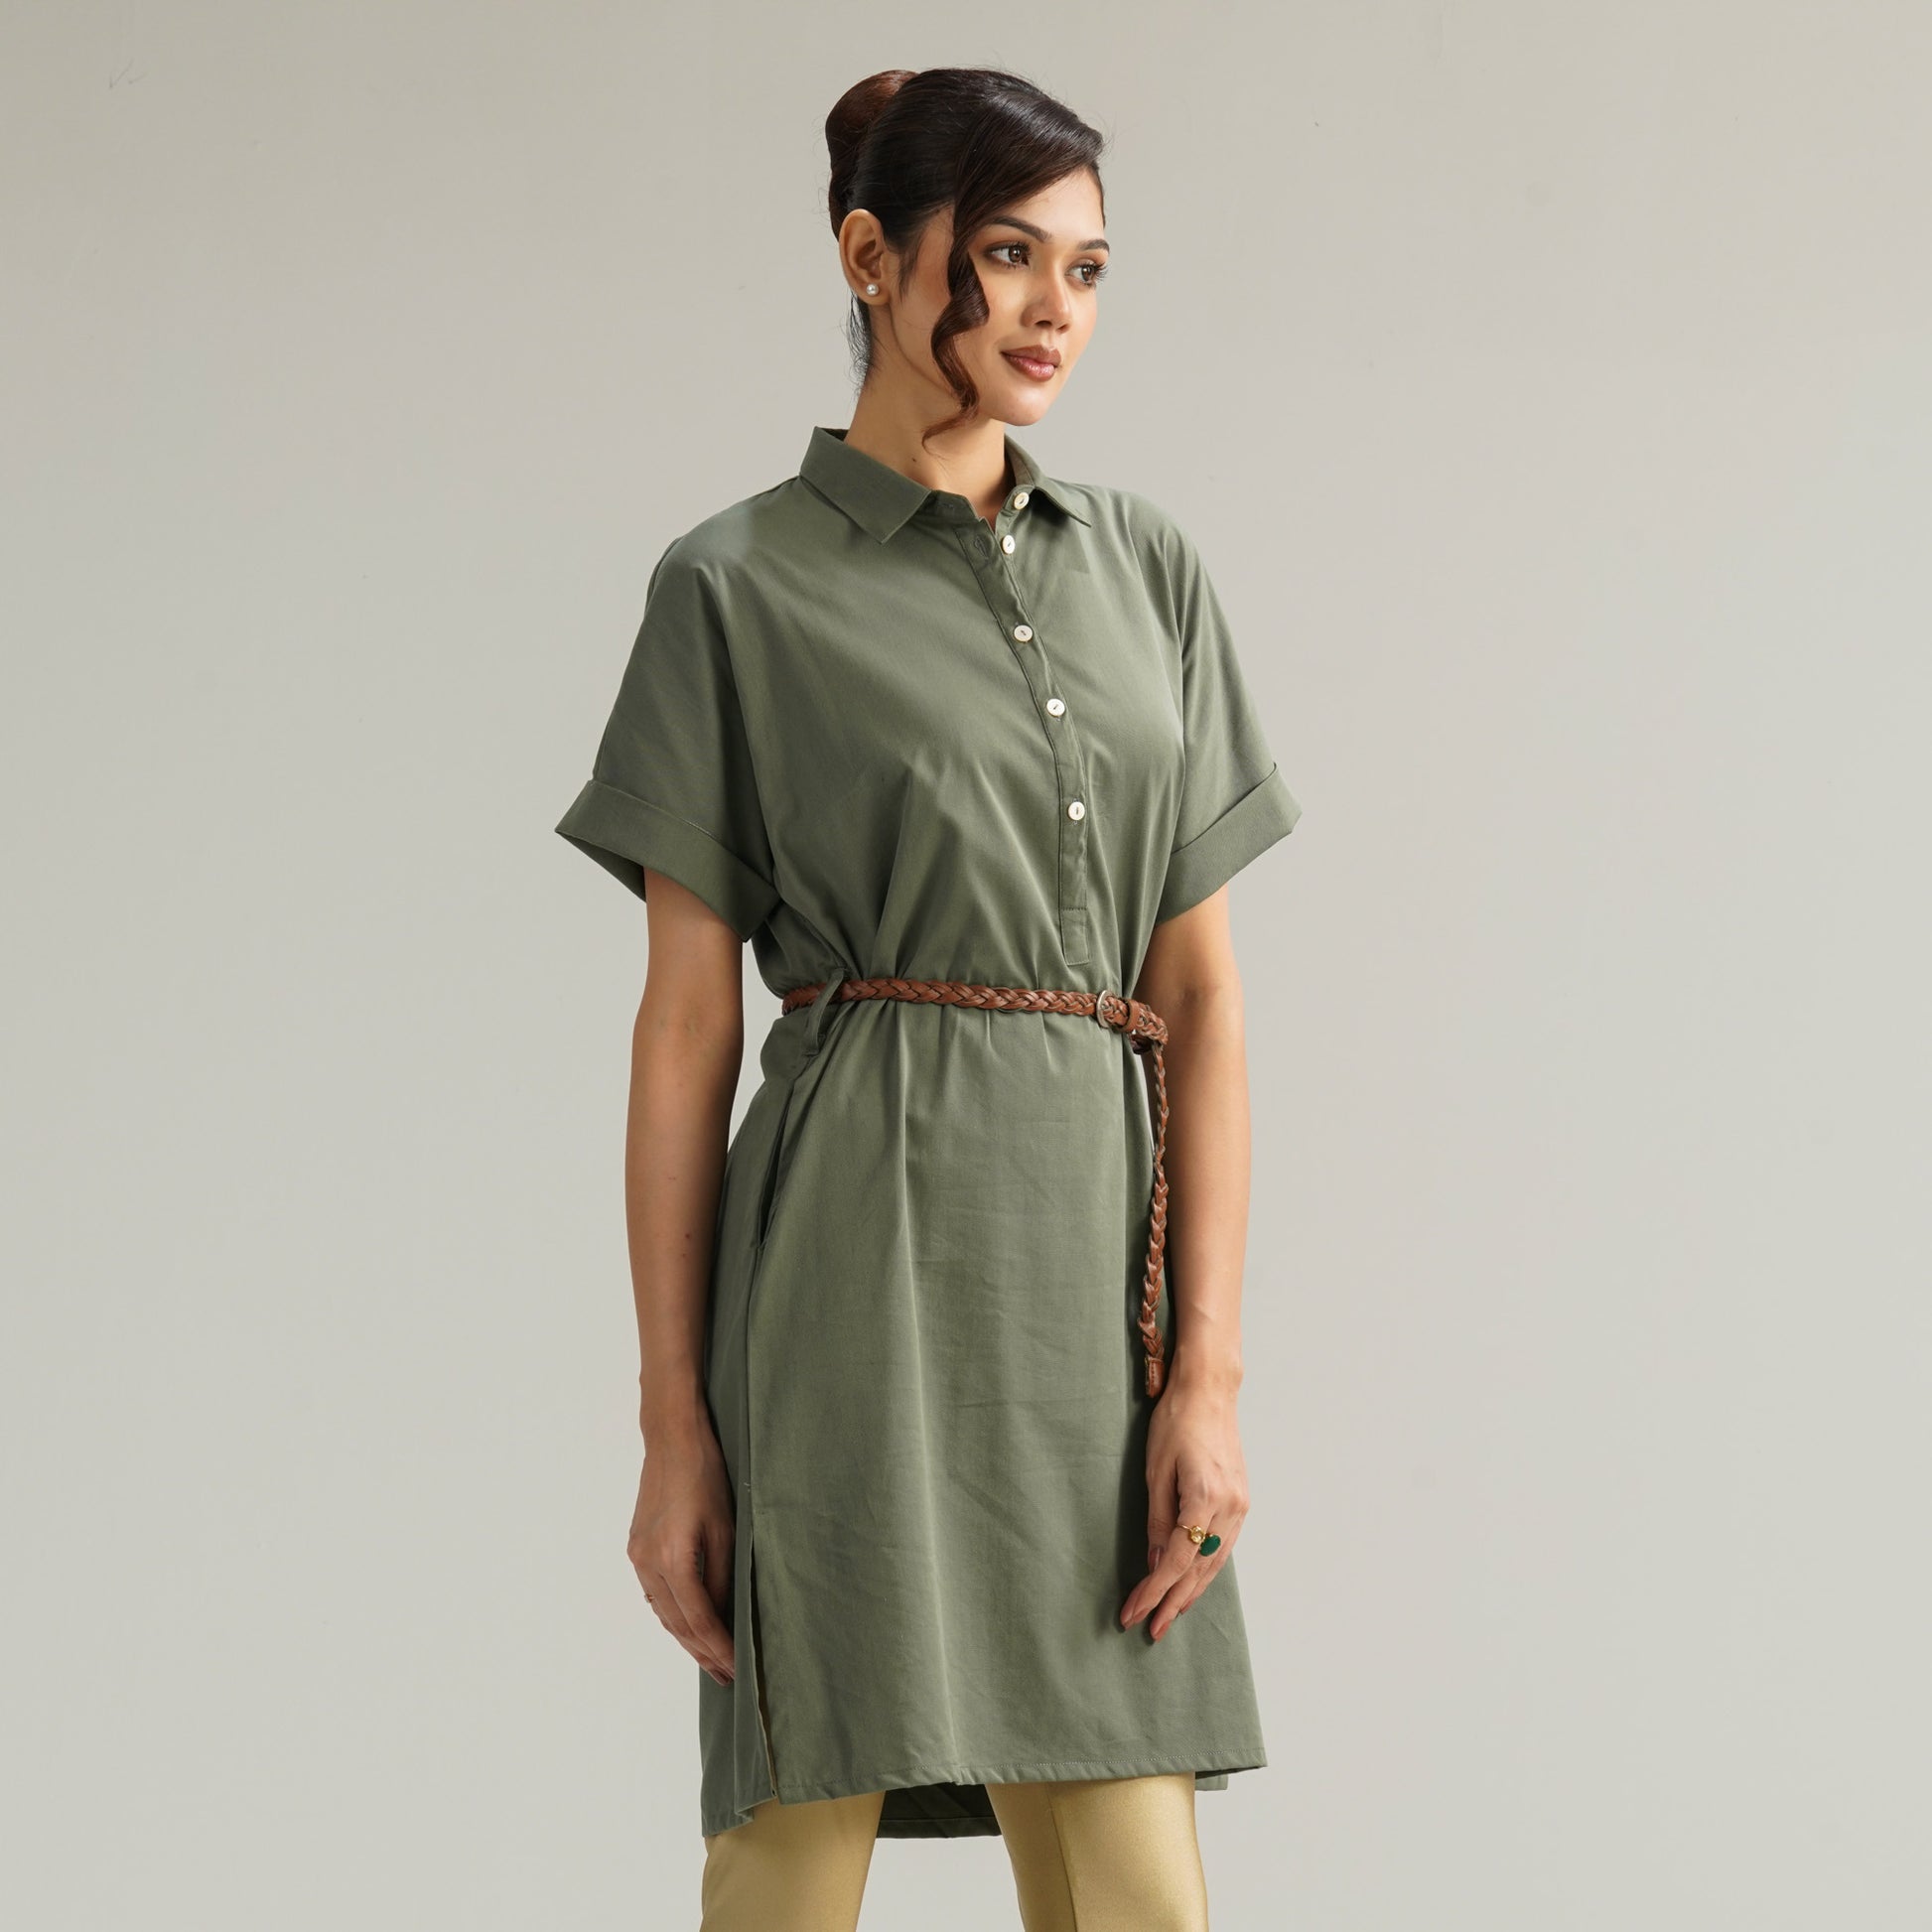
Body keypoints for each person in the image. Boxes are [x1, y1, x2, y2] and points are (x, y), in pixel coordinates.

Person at [554, 65, 1304, 1932]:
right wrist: (671, 1422)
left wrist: (1205, 1374)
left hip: (1094, 1302)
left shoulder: (1146, 571)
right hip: (847, 1278)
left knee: (1135, 1875)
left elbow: (1201, 1002)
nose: (1057, 309)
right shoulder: (731, 587)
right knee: (795, 1845)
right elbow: (683, 1033)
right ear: (870, 258)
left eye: (1089, 267)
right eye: (1009, 256)